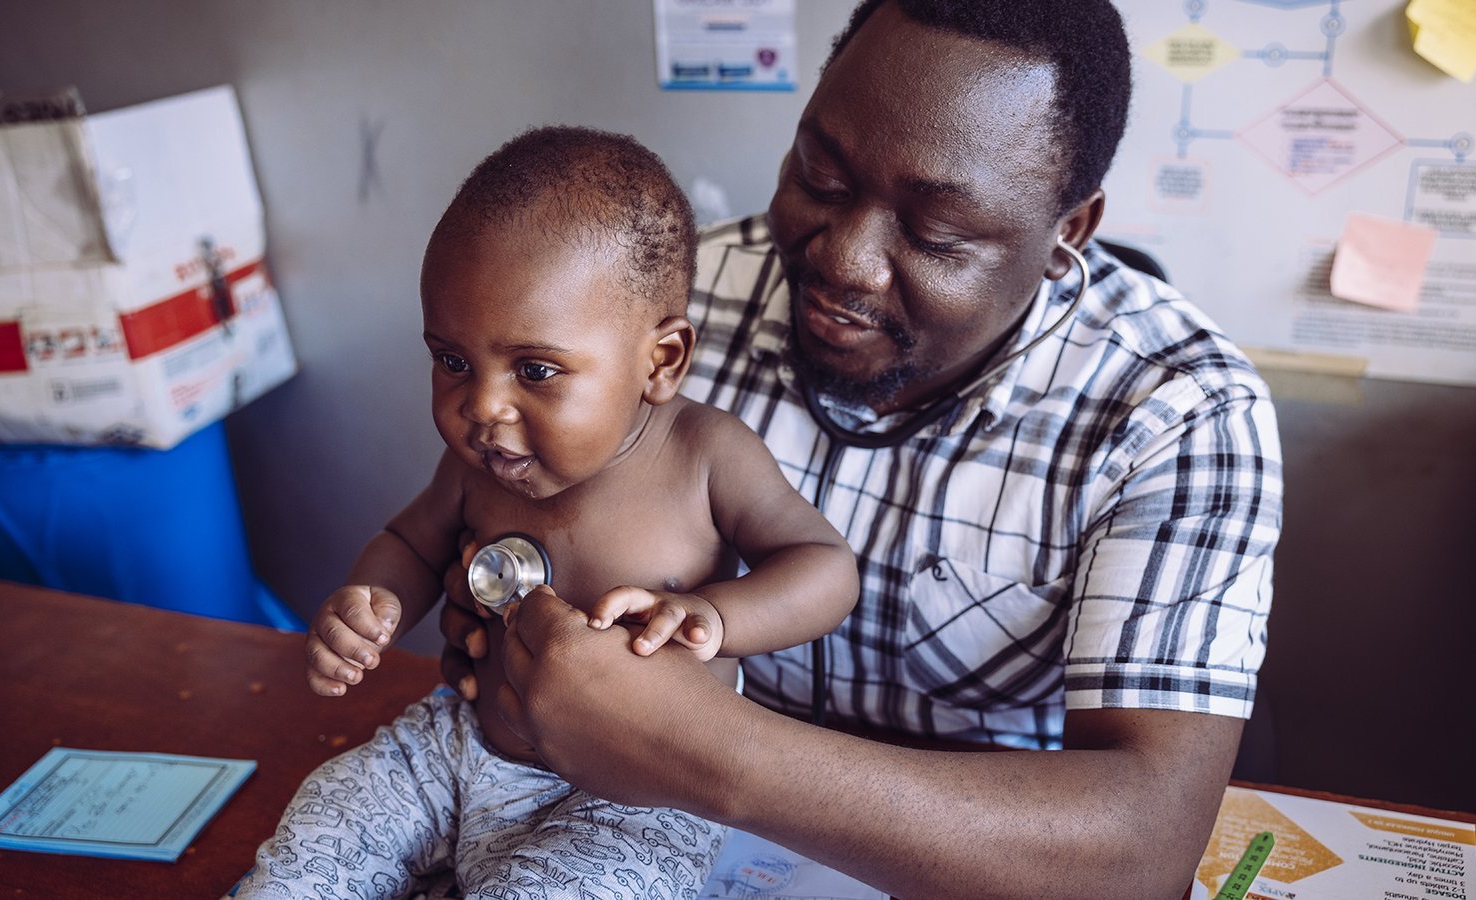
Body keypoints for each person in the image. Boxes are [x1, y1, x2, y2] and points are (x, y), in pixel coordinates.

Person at [438, 2, 1284, 898]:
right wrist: (515, 626)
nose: (845, 261)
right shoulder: (650, 317)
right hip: (612, 826)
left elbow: (1145, 848)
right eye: (822, 178)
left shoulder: (1179, 412)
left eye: (934, 235)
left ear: (1068, 231)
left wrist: (708, 752)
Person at [233, 126, 859, 899]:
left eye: (535, 369)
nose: (483, 407)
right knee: (320, 832)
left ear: (660, 360)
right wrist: (369, 603)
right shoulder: (481, 466)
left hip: (637, 795)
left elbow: (824, 569)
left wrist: (712, 616)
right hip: (459, 744)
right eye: (452, 360)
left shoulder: (707, 455)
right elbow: (411, 543)